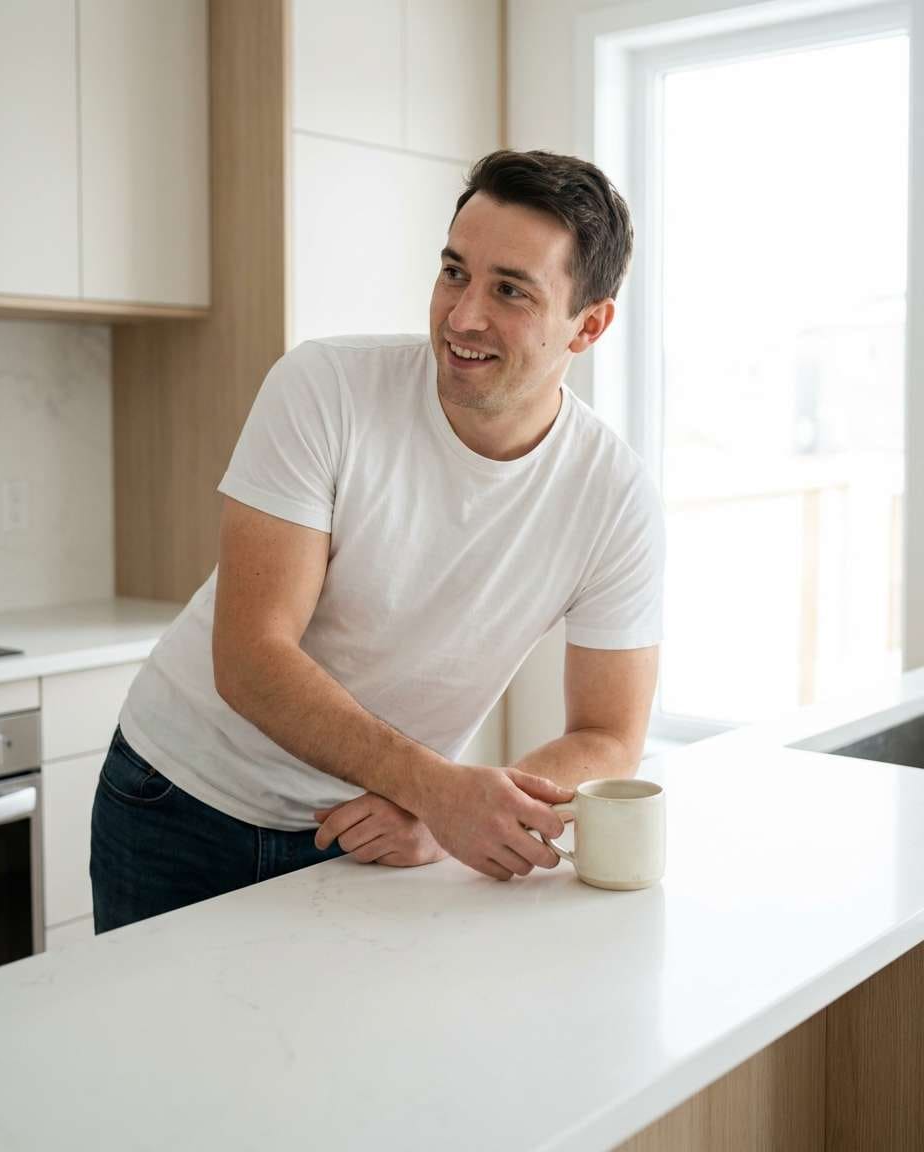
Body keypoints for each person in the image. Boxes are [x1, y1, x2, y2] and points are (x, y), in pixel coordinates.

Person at [90, 149, 665, 933]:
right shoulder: (326, 388)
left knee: (336, 1056)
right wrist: (438, 791)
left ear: (589, 324)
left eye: (510, 291)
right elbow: (252, 657)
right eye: (455, 272)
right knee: (151, 1057)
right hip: (181, 803)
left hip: (374, 835)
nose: (463, 316)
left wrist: (450, 812)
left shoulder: (613, 495)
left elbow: (610, 736)